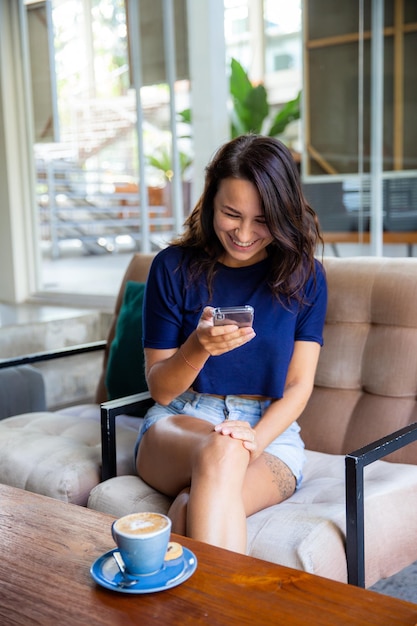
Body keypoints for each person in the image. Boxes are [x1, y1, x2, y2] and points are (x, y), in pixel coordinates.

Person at [135, 134, 327, 554]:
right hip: (181, 418)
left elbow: (298, 386)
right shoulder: (172, 268)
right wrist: (199, 346)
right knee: (220, 450)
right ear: (210, 202)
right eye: (231, 214)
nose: (243, 233)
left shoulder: (305, 276)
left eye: (262, 220)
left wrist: (254, 440)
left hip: (270, 432)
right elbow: (163, 390)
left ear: (284, 215)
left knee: (190, 508)